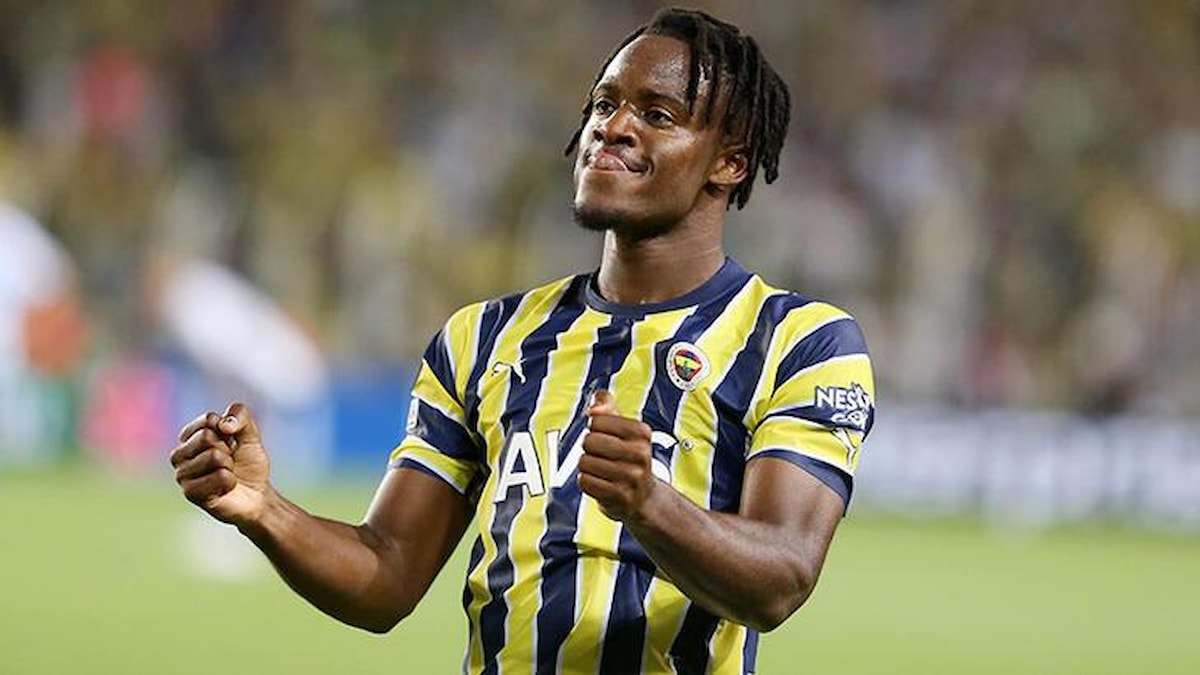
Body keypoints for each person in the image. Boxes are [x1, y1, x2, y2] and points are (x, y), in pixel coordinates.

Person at [169, 8, 875, 674]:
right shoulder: (482, 338)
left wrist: (648, 503)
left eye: (657, 115)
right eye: (603, 105)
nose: (613, 128)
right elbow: (387, 574)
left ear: (730, 162)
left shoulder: (799, 342)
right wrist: (264, 508)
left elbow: (782, 578)